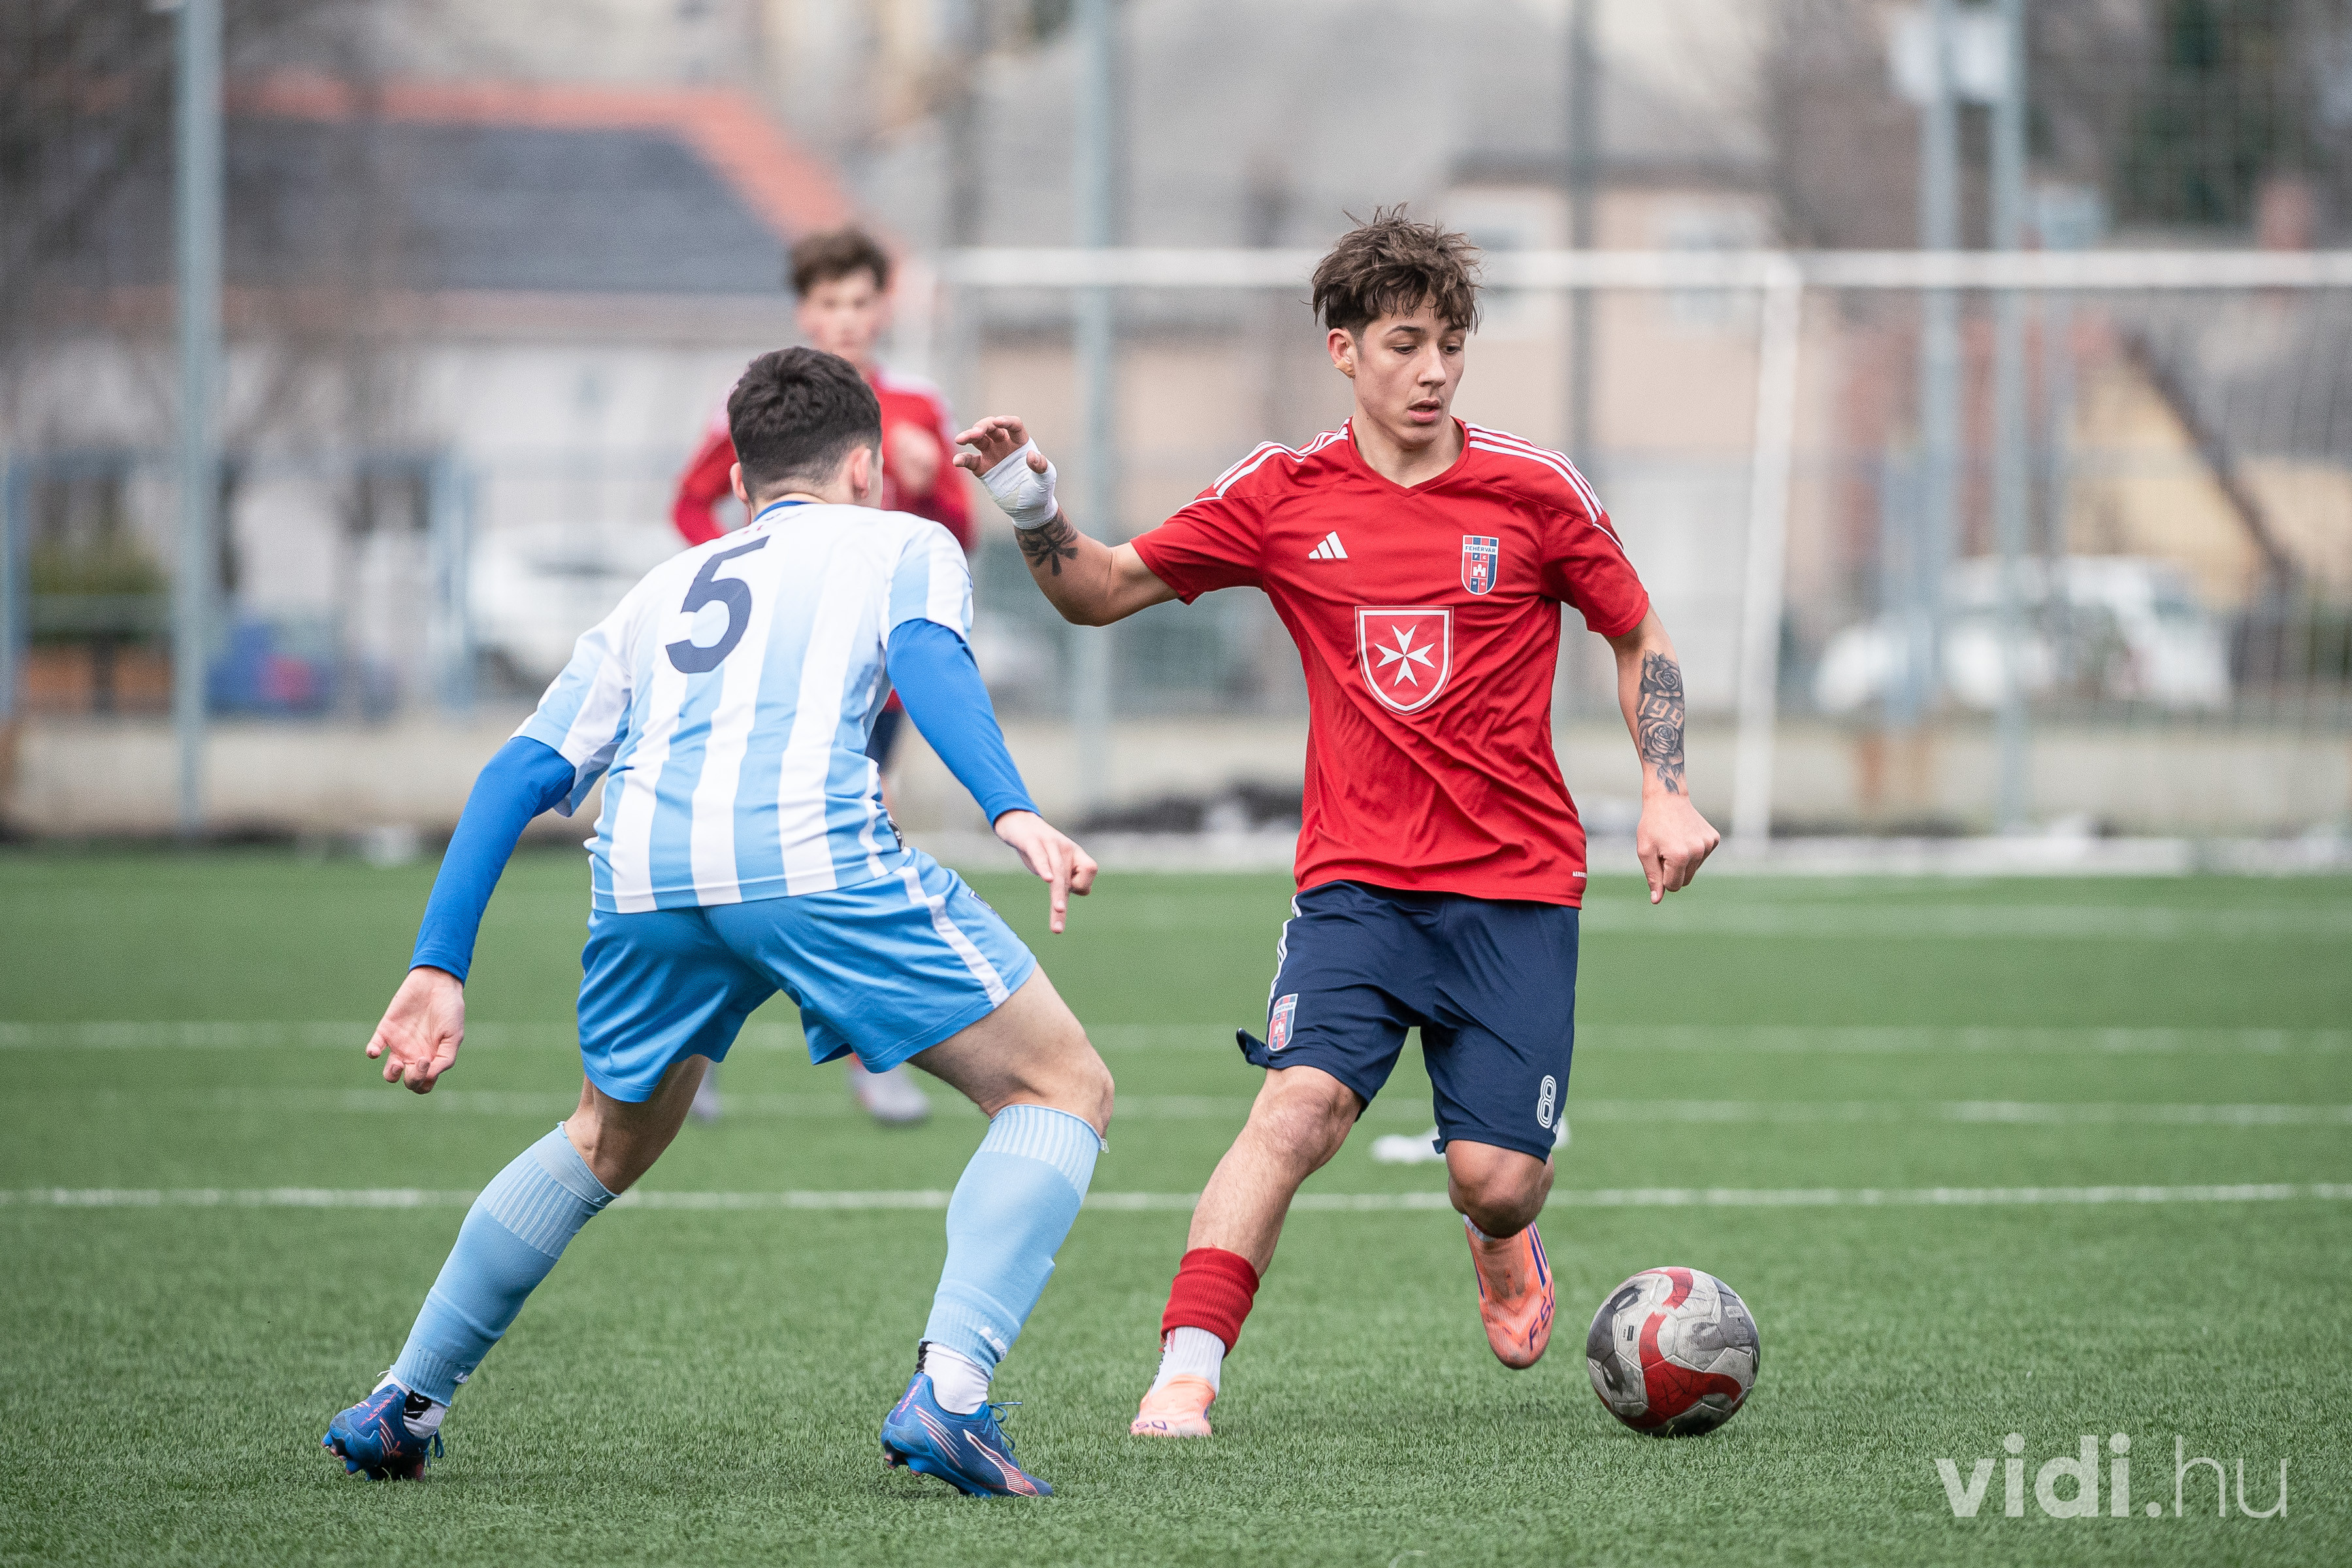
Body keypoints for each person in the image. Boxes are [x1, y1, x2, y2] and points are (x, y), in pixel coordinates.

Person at [953, 208, 1720, 1439]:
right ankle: (1185, 1372)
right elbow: (1100, 590)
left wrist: (1665, 786)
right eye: (1406, 344)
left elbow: (1639, 636)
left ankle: (1500, 1239)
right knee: (1294, 1111)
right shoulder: (1280, 493)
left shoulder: (1534, 490)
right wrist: (1028, 501)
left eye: (1451, 346)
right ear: (1344, 350)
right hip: (1355, 889)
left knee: (1498, 1180)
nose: (1434, 371)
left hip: (1517, 889)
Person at [321, 348, 1110, 1497]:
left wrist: (439, 964)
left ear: (740, 483)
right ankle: (950, 1394)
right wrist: (1012, 808)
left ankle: (404, 1399)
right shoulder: (904, 541)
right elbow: (928, 660)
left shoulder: (661, 590)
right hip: (809, 859)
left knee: (602, 1140)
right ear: (866, 467)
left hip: (646, 875)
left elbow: (517, 774)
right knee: (1060, 1087)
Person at [673, 227, 972, 1128]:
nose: (845, 319)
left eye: (859, 302)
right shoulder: (769, 406)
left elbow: (957, 535)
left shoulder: (915, 407)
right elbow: (691, 502)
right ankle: (696, 1050)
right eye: (828, 303)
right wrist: (741, 575)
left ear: (883, 309)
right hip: (776, 670)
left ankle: (870, 1054)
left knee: (854, 854)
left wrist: (930, 482)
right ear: (805, 313)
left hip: (873, 680)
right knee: (768, 855)